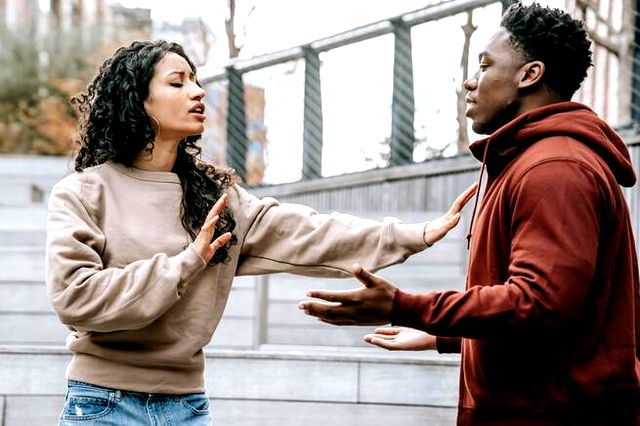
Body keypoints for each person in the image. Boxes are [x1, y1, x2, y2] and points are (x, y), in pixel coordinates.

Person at [45, 39, 477, 425]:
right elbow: (76, 298)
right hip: (102, 405)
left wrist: (412, 234)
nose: (197, 92)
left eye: (196, 81)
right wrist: (188, 260)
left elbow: (308, 233)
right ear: (136, 100)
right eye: (177, 83)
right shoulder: (84, 193)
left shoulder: (218, 198)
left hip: (187, 406)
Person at [299, 3, 640, 425]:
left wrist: (404, 305)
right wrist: (443, 336)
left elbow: (541, 306)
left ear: (529, 74)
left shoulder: (554, 170)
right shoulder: (532, 161)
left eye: (484, 66)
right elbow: (550, 318)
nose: (469, 81)